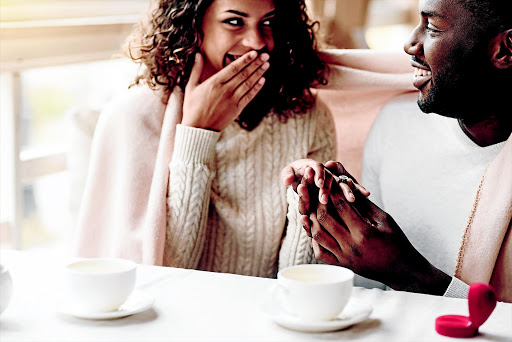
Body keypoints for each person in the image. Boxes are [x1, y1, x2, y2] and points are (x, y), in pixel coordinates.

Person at [73, 0, 339, 277]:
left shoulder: (309, 115)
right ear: (193, 25)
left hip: (272, 313)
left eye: (269, 23)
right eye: (235, 22)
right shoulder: (133, 117)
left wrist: (305, 204)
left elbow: (302, 281)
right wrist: (197, 134)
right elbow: (163, 275)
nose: (257, 42)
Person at [282, 0, 512, 302]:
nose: (410, 44)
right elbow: (368, 296)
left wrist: (408, 272)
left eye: (432, 27)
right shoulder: (395, 124)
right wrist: (332, 217)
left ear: (504, 50)